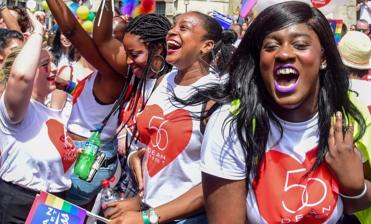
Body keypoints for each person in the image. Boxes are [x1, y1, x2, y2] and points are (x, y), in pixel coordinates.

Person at [188, 2, 371, 224]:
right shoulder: (231, 125)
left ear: (323, 58)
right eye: (270, 47)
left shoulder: (346, 117)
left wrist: (353, 185)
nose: (284, 53)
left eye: (299, 44)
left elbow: (359, 203)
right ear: (260, 60)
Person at [107, 11, 234, 224]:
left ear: (207, 46)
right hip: (149, 209)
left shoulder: (218, 98)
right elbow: (159, 146)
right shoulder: (165, 80)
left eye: (183, 28)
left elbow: (217, 182)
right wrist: (136, 161)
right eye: (173, 26)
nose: (172, 31)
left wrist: (147, 217)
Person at [46, 0, 125, 209]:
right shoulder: (113, 73)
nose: (98, 42)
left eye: (110, 39)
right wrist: (70, 86)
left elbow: (71, 30)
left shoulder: (113, 74)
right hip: (95, 152)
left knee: (60, 213)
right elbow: (95, 101)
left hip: (86, 156)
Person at [0, 13, 77, 222]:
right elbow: (21, 77)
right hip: (21, 206)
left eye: (51, 62)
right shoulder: (14, 112)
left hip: (55, 204)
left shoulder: (52, 110)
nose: (53, 69)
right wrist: (38, 33)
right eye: (44, 65)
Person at [93, 0, 172, 198]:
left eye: (135, 54)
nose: (128, 61)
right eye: (126, 54)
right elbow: (101, 40)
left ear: (158, 49)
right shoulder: (134, 74)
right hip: (125, 174)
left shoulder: (175, 85)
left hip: (154, 185)